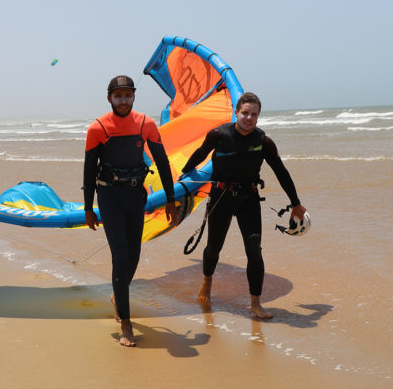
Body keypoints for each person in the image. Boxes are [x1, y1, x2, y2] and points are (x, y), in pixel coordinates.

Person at [180, 91, 306, 319]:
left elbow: (281, 172)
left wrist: (295, 204)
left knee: (254, 251)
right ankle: (207, 282)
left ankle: (256, 304)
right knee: (213, 248)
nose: (249, 118)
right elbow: (199, 155)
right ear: (236, 113)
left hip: (248, 199)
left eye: (253, 114)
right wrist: (181, 179)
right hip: (221, 197)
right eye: (245, 113)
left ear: (258, 116)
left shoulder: (263, 142)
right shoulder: (219, 135)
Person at [83, 75, 179, 346]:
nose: (123, 100)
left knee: (134, 255)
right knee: (120, 254)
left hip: (136, 195)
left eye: (128, 95)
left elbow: (161, 161)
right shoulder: (98, 127)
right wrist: (89, 207)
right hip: (109, 196)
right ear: (109, 98)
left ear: (134, 96)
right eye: (118, 96)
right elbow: (89, 170)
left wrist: (170, 199)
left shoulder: (145, 124)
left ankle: (118, 293)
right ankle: (125, 322)